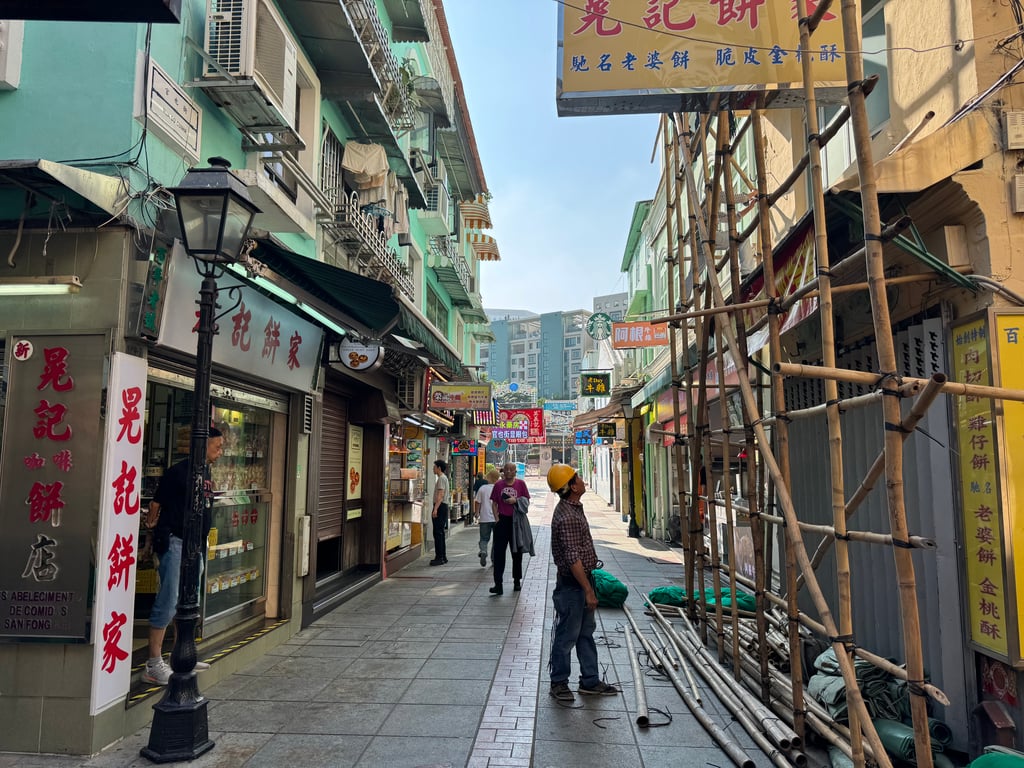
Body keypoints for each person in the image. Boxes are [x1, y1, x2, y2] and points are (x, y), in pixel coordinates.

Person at [143, 427, 223, 685]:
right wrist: (152, 529)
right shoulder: (178, 472)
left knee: (188, 601)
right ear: (203, 447)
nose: (220, 453)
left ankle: (181, 655)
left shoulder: (206, 473)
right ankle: (153, 664)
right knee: (169, 598)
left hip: (195, 543)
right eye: (217, 447)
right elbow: (156, 504)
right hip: (175, 541)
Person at [546, 463, 620, 701]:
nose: (581, 480)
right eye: (577, 477)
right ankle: (559, 682)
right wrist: (588, 590)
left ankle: (590, 680)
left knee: (585, 633)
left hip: (580, 581)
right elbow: (572, 557)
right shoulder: (567, 516)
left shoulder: (573, 508)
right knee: (568, 634)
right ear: (571, 486)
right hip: (573, 585)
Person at [488, 462, 529, 595]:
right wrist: (496, 518)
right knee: (499, 553)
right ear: (503, 471)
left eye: (512, 469)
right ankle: (498, 584)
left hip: (516, 522)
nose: (509, 472)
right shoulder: (498, 485)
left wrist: (515, 500)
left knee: (517, 552)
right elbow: (494, 503)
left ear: (516, 471)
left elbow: (526, 501)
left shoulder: (521, 484)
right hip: (502, 521)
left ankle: (517, 580)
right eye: (507, 469)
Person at [474, 468, 500, 567]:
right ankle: (494, 559)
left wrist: (477, 513)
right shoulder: (499, 488)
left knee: (484, 538)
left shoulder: (483, 488)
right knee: (496, 540)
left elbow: (477, 502)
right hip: (496, 518)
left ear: (488, 477)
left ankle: (483, 551)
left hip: (484, 518)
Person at [429, 459, 450, 566]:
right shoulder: (443, 478)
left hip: (440, 506)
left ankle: (439, 557)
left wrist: (435, 508)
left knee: (438, 532)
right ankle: (443, 556)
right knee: (440, 532)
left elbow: (440, 494)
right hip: (443, 506)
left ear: (439, 468)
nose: (433, 469)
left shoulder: (441, 478)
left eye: (434, 467)